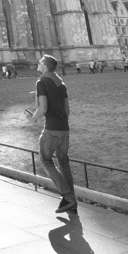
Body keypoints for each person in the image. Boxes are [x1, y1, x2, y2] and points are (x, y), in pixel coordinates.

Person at [30, 54, 77, 214]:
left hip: (51, 130)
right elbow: (67, 110)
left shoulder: (42, 81)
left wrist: (33, 119)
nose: (38, 63)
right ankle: (72, 202)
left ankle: (68, 197)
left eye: (40, 62)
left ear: (46, 66)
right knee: (63, 163)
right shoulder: (61, 83)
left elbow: (42, 108)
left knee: (46, 161)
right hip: (64, 129)